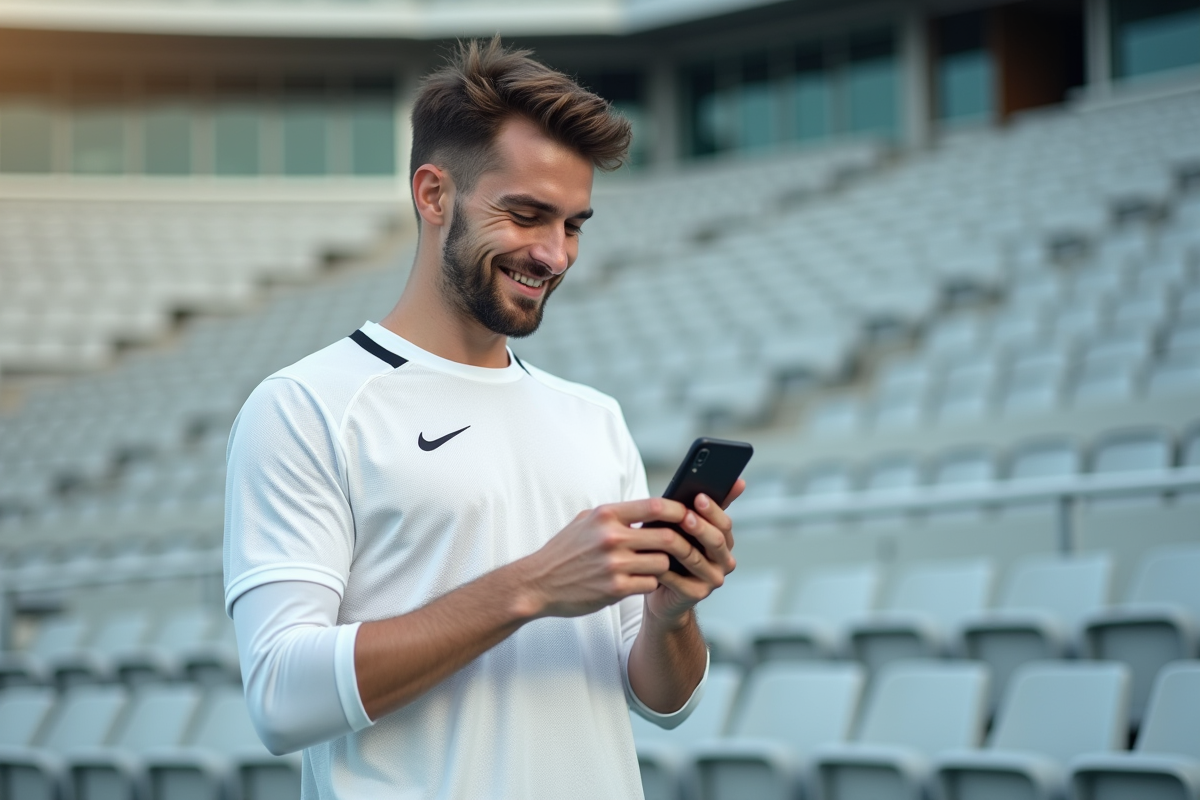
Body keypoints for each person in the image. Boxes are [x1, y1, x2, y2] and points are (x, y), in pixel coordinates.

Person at [224, 36, 744, 799]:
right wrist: (530, 587)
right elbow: (279, 697)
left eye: (573, 225)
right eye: (527, 215)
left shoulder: (594, 418)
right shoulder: (306, 406)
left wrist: (671, 617)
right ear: (433, 195)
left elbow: (664, 702)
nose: (555, 255)